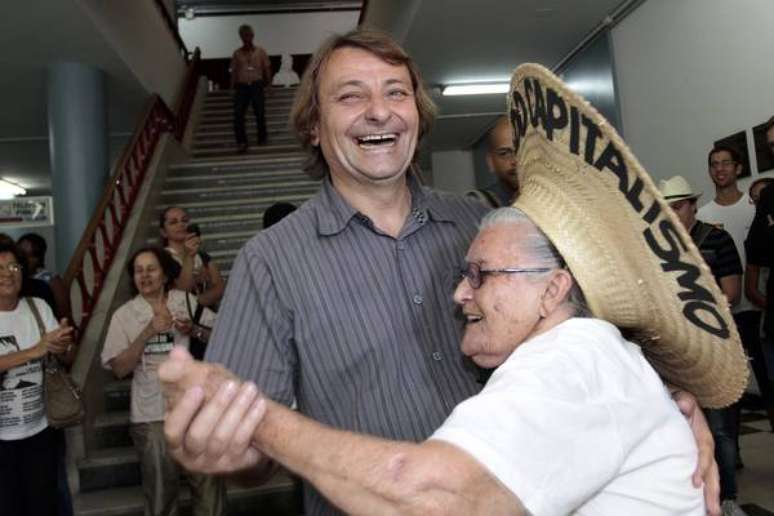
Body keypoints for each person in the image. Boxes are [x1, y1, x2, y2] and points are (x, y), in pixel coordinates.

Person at [162, 31, 719, 515]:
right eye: (351, 96)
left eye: (396, 93)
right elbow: (250, 450)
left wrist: (663, 409)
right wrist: (230, 448)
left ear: (417, 117)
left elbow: (579, 339)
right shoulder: (270, 262)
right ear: (312, 126)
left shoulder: (485, 226)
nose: (379, 111)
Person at [100, 247, 224, 516]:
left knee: (208, 484)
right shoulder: (125, 314)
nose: (145, 276)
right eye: (138, 271)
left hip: (193, 408)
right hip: (150, 414)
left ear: (165, 274)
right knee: (160, 491)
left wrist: (194, 330)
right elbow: (119, 369)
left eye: (151, 269)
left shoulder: (186, 301)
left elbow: (221, 336)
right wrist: (148, 331)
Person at [661, 175, 746, 516]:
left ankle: (727, 499)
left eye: (678, 206)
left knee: (721, 428)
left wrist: (693, 315)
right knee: (681, 424)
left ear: (693, 206)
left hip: (714, 345)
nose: (672, 213)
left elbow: (732, 294)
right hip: (673, 349)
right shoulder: (657, 244)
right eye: (665, 208)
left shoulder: (718, 238)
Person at [697, 147, 774, 434]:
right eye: (714, 164)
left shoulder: (756, 207)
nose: (720, 169)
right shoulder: (703, 215)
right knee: (730, 382)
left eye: (726, 163)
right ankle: (734, 446)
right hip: (726, 312)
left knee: (768, 378)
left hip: (759, 306)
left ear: (738, 168)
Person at [0, 241, 74, 516]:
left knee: (43, 505)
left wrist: (62, 346)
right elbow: (38, 350)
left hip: (40, 431)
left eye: (13, 266)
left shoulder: (38, 307)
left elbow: (66, 357)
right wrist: (35, 350)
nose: (8, 273)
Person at [230, 24, 272, 151]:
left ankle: (262, 137)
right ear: (241, 37)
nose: (246, 38)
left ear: (252, 36)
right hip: (242, 86)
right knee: (238, 114)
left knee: (260, 112)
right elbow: (234, 71)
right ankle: (241, 142)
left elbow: (267, 68)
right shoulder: (236, 53)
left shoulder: (260, 51)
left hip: (256, 85)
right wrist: (232, 88)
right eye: (243, 36)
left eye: (248, 35)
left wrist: (269, 84)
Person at [17, 232, 72, 322]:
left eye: (31, 255)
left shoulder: (50, 280)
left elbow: (63, 313)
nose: (25, 259)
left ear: (39, 258)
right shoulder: (12, 277)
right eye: (22, 254)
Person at [467, 115, 519, 207]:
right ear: (490, 162)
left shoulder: (551, 196)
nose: (515, 160)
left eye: (523, 150)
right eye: (505, 153)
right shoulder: (477, 203)